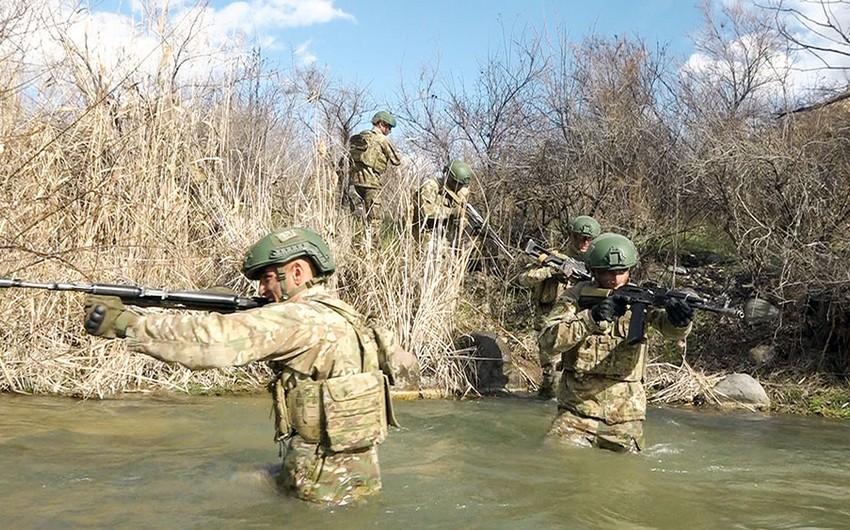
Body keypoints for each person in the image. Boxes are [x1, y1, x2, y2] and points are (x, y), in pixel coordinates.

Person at [82, 228, 396, 505]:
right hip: (360, 476)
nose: (261, 290)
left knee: (207, 488)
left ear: (298, 272)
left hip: (316, 488)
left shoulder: (297, 319)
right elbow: (401, 364)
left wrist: (127, 324)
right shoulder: (349, 317)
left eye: (267, 278)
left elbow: (210, 344)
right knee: (237, 481)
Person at [538, 233, 693, 452]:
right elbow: (547, 341)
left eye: (620, 271)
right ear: (594, 271)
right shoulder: (576, 297)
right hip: (576, 413)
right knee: (553, 461)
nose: (614, 278)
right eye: (606, 272)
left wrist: (681, 321)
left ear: (630, 270)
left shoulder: (642, 299)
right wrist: (590, 318)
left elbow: (671, 331)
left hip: (626, 417)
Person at [518, 215, 602, 398]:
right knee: (552, 378)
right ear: (571, 236)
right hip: (551, 326)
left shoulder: (596, 264)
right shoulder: (553, 256)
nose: (584, 242)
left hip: (582, 326)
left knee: (580, 376)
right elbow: (524, 279)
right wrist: (552, 270)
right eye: (580, 237)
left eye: (588, 239)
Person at [348, 111, 401, 235]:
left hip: (354, 183)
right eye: (388, 127)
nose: (389, 131)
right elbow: (396, 160)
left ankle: (356, 242)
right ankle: (372, 248)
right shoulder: (382, 139)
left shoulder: (361, 136)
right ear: (381, 124)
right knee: (375, 219)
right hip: (371, 183)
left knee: (357, 216)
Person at [415, 159, 471, 242]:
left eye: (461, 185)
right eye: (457, 183)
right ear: (449, 177)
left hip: (442, 232)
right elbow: (427, 211)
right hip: (423, 231)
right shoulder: (431, 186)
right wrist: (452, 211)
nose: (459, 187)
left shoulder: (456, 193)